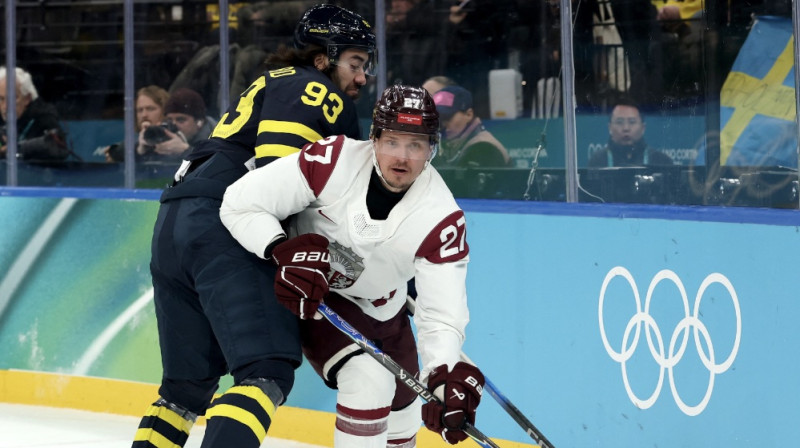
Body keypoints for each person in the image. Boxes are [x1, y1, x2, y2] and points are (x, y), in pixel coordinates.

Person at [131, 5, 376, 448]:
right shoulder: (316, 89)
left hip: (173, 226)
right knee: (267, 370)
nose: (361, 78)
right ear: (322, 58)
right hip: (224, 226)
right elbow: (275, 176)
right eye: (355, 63)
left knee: (184, 390)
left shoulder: (271, 82)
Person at [220, 84, 486, 447]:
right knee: (369, 382)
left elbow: (441, 314)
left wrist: (441, 375)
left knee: (405, 413)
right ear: (373, 139)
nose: (402, 157)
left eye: (416, 145)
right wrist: (279, 249)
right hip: (316, 295)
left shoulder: (442, 217)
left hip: (384, 307)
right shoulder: (332, 161)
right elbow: (238, 203)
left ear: (432, 150)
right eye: (392, 141)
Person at [431, 85, 510, 168]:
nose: (442, 124)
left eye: (447, 117)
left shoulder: (484, 149)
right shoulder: (454, 145)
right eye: (438, 119)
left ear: (469, 114)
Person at [0, 66, 68, 161]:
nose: (5, 106)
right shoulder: (3, 121)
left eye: (12, 98)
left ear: (27, 98)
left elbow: (57, 147)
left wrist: (16, 149)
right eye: (1, 99)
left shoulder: (44, 119)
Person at [136, 88, 218, 162]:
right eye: (169, 120)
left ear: (199, 122)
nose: (174, 125)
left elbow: (217, 165)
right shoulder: (166, 136)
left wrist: (186, 150)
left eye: (181, 120)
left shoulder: (219, 139)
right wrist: (141, 151)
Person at [588, 98, 673, 167]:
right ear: (610, 127)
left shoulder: (661, 161)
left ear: (643, 128)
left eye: (632, 122)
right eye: (619, 122)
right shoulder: (598, 161)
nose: (626, 128)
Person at [103, 85, 170, 162]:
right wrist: (114, 155)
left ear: (165, 111)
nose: (144, 115)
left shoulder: (176, 138)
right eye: (140, 110)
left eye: (150, 109)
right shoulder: (131, 142)